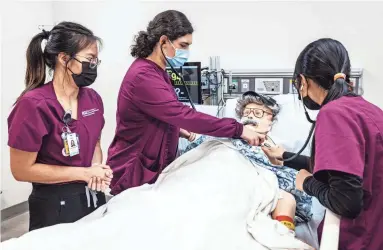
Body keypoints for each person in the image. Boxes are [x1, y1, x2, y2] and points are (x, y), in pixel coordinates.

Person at [107, 10, 264, 195]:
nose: (186, 52)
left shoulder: (158, 72)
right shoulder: (143, 76)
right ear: (163, 41)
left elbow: (160, 112)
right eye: (183, 45)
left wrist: (173, 128)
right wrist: (238, 129)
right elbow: (181, 113)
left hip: (154, 168)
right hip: (134, 171)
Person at [263, 38, 383, 250]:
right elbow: (347, 169)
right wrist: (287, 157)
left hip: (360, 239)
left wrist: (306, 183)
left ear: (302, 81)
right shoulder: (369, 110)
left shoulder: (333, 114)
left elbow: (346, 202)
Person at [7, 21, 113, 231]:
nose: (93, 66)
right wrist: (83, 173)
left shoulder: (93, 99)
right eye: (90, 59)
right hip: (53, 206)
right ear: (64, 58)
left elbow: (95, 142)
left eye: (96, 61)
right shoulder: (33, 105)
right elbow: (21, 170)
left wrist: (95, 170)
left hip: (92, 196)